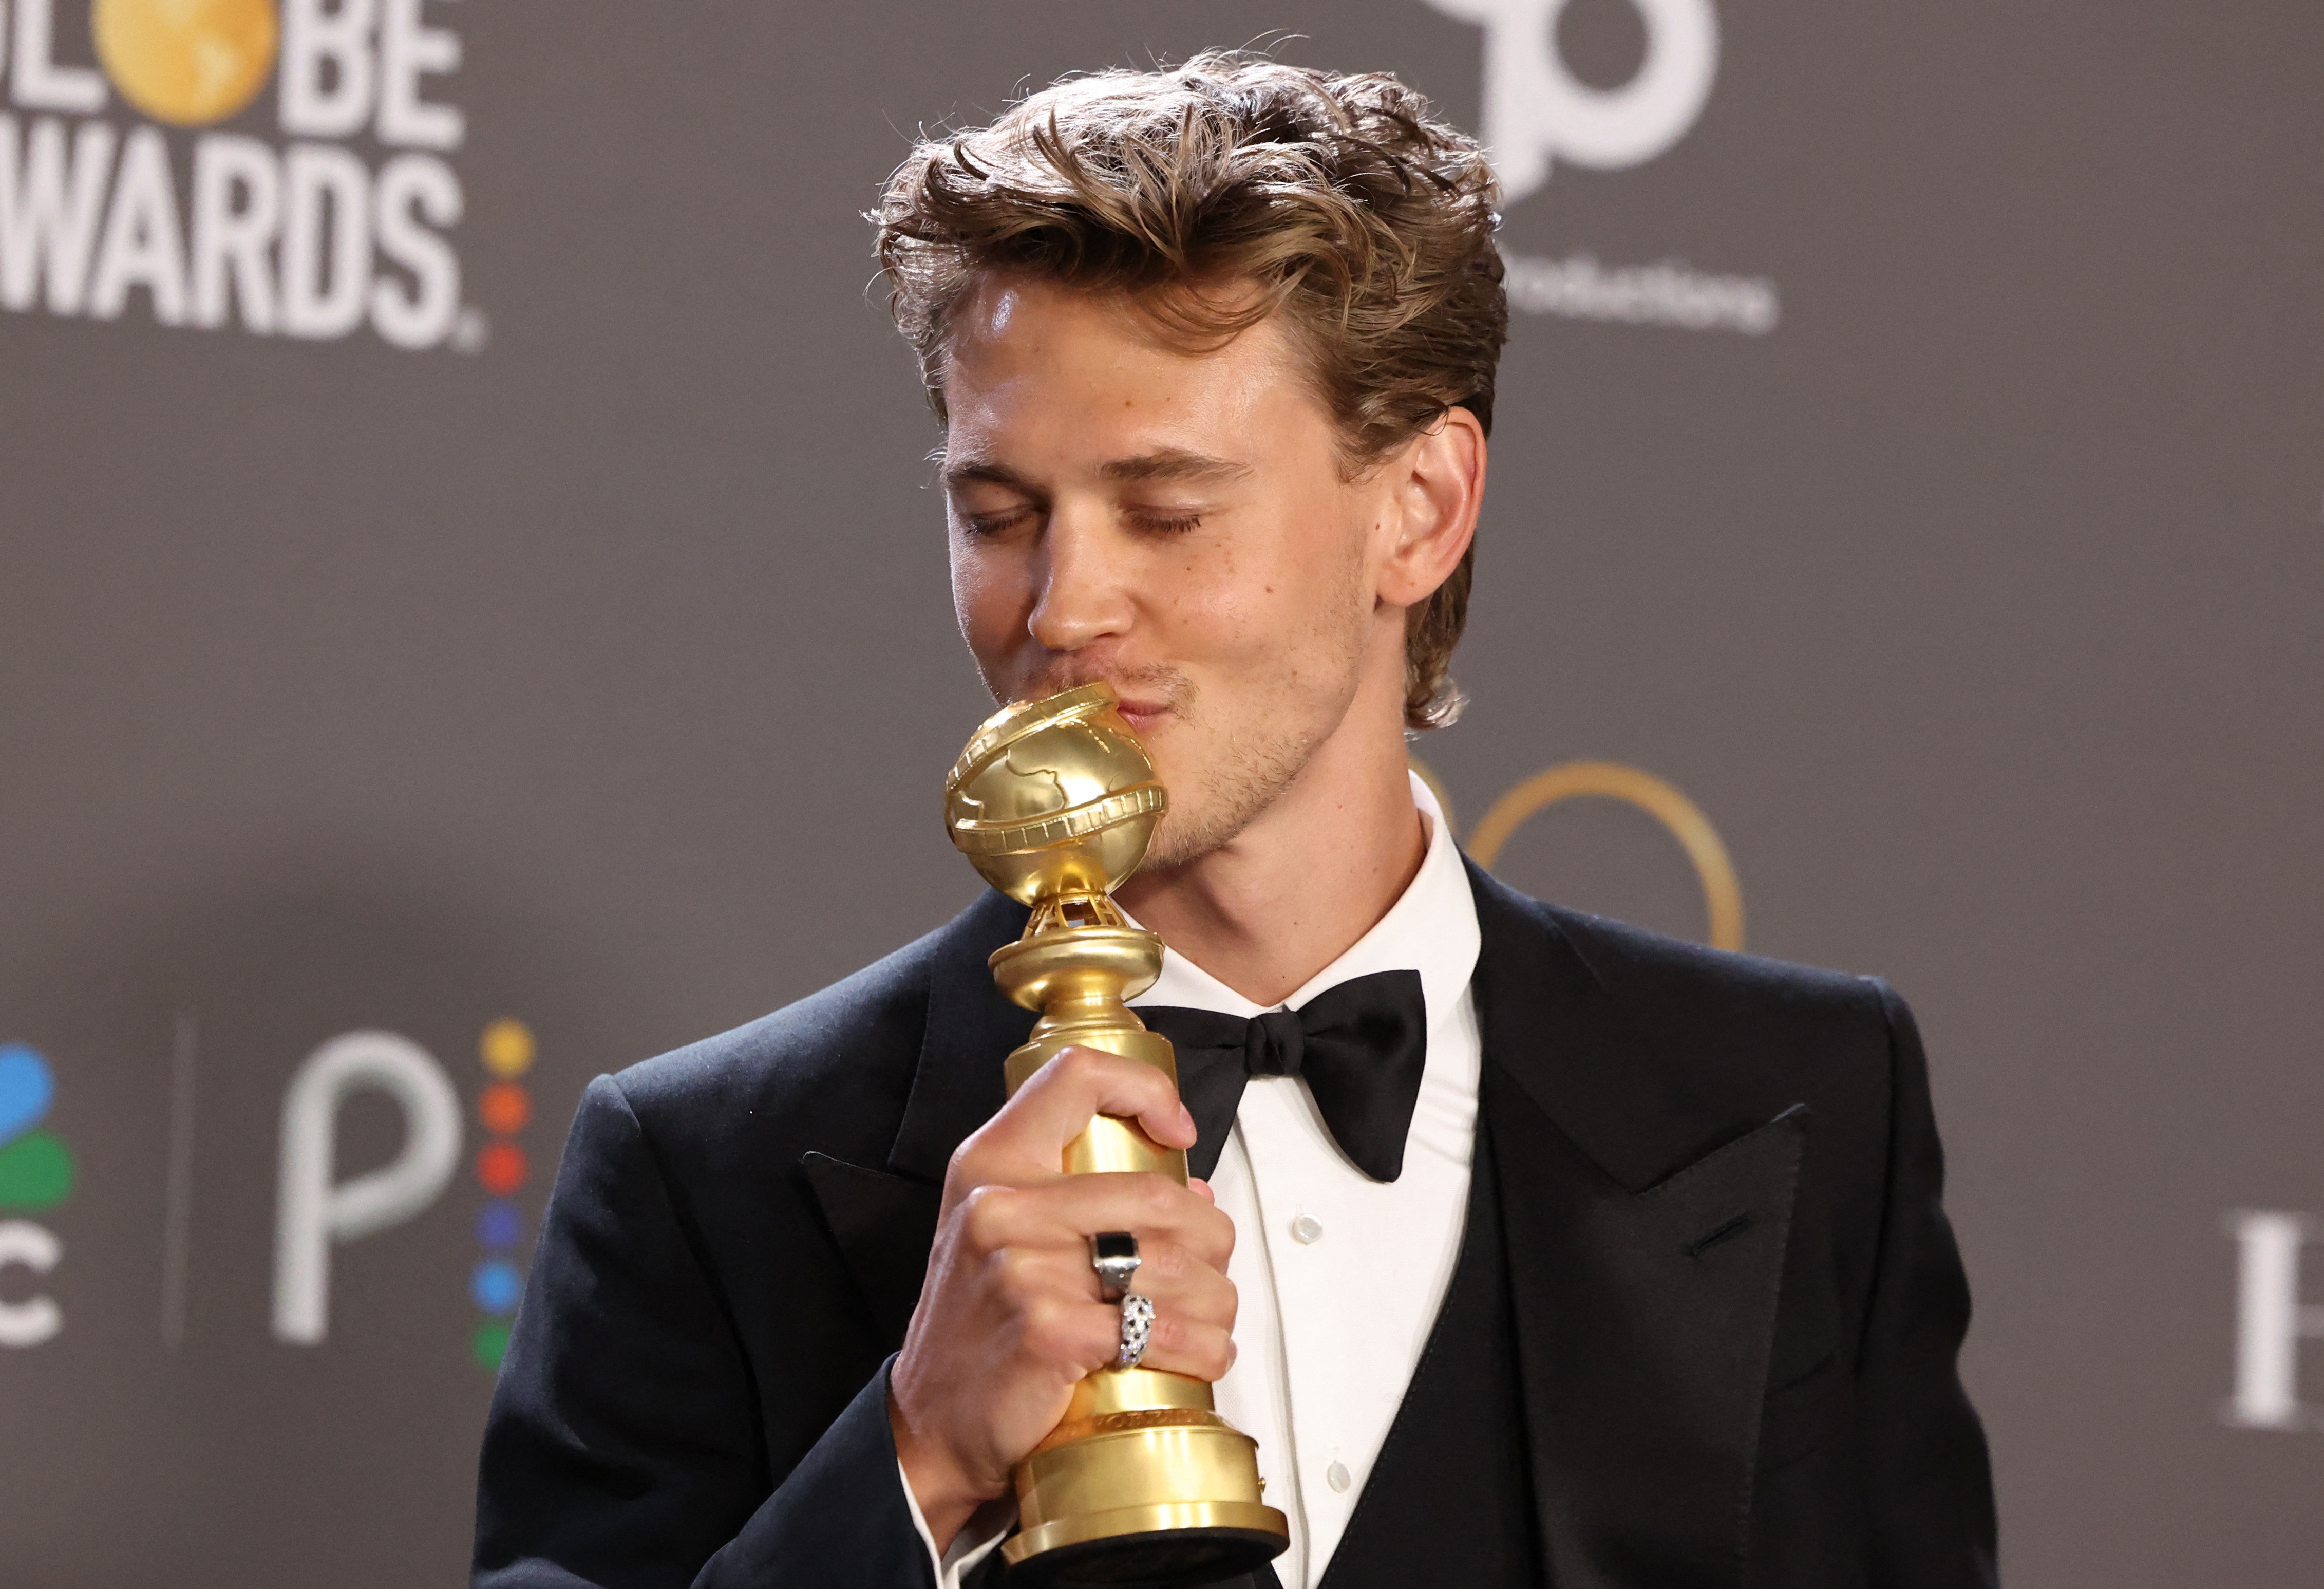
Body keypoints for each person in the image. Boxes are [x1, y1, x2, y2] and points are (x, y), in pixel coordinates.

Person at [473, 52, 1997, 1589]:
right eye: (1000, 516)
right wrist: (919, 1461)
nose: (1063, 608)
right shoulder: (704, 1171)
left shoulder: (1800, 1102)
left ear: (1420, 506)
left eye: (1167, 511)